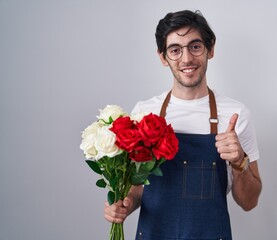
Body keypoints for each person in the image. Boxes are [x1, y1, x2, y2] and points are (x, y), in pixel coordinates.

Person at [104, 10, 262, 239]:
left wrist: (239, 162)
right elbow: (137, 188)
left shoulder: (236, 115)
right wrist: (123, 205)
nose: (186, 59)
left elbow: (250, 202)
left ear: (211, 49)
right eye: (175, 50)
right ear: (162, 57)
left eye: (195, 46)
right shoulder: (144, 113)